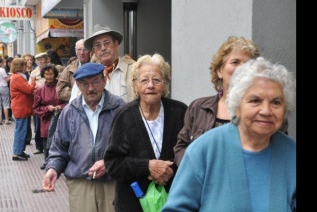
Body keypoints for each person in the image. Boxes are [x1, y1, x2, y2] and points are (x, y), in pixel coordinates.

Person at [162, 57, 296, 212]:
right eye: (255, 101)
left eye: (276, 102)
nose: (266, 111)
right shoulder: (204, 150)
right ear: (237, 105)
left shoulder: (292, 154)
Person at [173, 36, 287, 166]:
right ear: (219, 71)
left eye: (248, 64)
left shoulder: (269, 112)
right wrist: (196, 171)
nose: (241, 68)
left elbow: (279, 153)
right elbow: (181, 147)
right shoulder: (198, 107)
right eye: (235, 62)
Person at [103, 53, 188, 212]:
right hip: (133, 204)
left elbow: (190, 155)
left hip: (174, 203)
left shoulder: (180, 112)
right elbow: (113, 164)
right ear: (135, 85)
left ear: (165, 84)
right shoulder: (123, 116)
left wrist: (167, 170)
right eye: (144, 80)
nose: (150, 85)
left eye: (156, 80)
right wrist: (147, 166)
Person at [42, 63, 126, 212]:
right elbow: (59, 148)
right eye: (84, 84)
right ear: (78, 86)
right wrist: (53, 168)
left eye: (95, 82)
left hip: (112, 181)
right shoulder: (69, 112)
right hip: (80, 182)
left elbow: (129, 146)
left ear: (104, 81)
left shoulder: (119, 107)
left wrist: (109, 163)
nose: (91, 88)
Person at [84, 24, 136, 103]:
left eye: (107, 43)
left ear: (116, 44)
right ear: (94, 51)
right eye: (98, 45)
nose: (103, 48)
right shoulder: (87, 74)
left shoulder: (133, 69)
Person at [32, 63, 67, 169]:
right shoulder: (40, 89)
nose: (49, 76)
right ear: (43, 75)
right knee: (47, 142)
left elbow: (69, 101)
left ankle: (62, 162)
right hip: (47, 120)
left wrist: (60, 107)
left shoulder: (60, 87)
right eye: (46, 74)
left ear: (55, 74)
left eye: (51, 74)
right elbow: (35, 108)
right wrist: (47, 108)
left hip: (61, 119)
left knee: (62, 141)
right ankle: (47, 161)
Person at [9, 58, 36, 161]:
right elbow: (29, 90)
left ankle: (20, 151)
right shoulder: (17, 78)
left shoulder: (17, 77)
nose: (26, 67)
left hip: (22, 106)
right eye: (24, 65)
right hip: (21, 107)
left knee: (22, 130)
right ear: (20, 66)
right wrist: (33, 81)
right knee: (20, 130)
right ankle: (17, 153)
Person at [56, 38, 91, 103]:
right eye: (79, 50)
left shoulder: (97, 66)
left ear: (90, 50)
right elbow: (60, 90)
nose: (82, 53)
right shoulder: (69, 69)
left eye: (85, 49)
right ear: (75, 51)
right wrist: (77, 93)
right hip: (76, 106)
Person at [29, 52, 49, 155]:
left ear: (46, 60)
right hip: (38, 100)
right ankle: (39, 146)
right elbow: (30, 86)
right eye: (39, 60)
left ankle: (49, 147)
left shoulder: (50, 70)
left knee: (48, 124)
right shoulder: (33, 72)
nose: (41, 61)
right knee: (37, 125)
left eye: (42, 59)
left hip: (49, 99)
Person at [22, 53, 35, 146]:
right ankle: (27, 137)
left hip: (36, 97)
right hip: (27, 98)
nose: (29, 61)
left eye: (30, 60)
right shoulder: (23, 74)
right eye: (27, 60)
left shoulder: (35, 71)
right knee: (26, 118)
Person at [1, 57, 14, 122]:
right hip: (6, 87)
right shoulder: (4, 69)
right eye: (9, 62)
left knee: (11, 102)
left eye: (12, 62)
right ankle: (4, 116)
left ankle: (10, 116)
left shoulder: (14, 69)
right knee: (5, 102)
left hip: (12, 87)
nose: (10, 64)